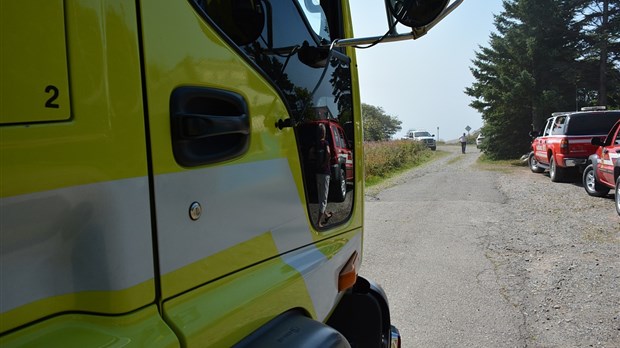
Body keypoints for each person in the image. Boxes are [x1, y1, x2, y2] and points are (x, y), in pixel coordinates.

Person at [313, 123, 333, 227]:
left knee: (320, 195)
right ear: (324, 132)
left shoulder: (316, 144)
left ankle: (326, 214)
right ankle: (318, 222)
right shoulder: (325, 143)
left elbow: (310, 154)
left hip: (317, 173)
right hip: (325, 172)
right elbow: (329, 153)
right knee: (324, 198)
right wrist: (325, 163)